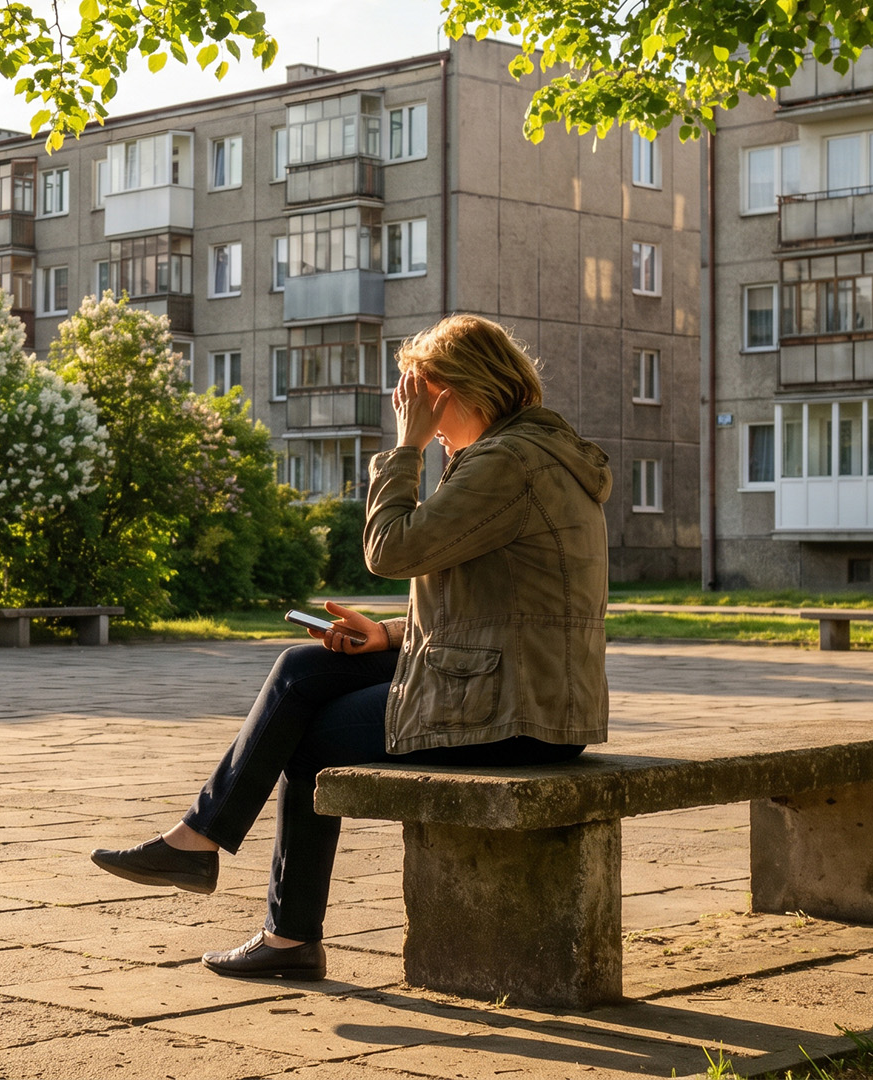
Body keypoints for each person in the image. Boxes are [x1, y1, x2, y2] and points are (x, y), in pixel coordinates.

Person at [90, 314, 612, 981]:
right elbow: (499, 604)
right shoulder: (527, 453)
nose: (410, 407)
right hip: (526, 689)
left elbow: (388, 551)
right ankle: (204, 849)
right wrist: (388, 635)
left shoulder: (508, 462)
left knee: (306, 737)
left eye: (419, 395)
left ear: (455, 391)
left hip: (518, 713)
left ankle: (277, 927)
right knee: (307, 666)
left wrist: (408, 447)